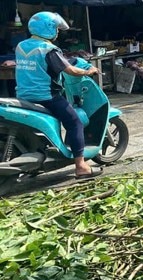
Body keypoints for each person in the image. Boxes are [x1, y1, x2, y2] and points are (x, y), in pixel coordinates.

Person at [15, 12, 102, 179]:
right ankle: (81, 166)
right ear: (48, 28)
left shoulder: (21, 46)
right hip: (46, 97)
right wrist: (88, 71)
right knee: (75, 122)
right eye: (56, 28)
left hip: (23, 96)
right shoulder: (48, 49)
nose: (58, 31)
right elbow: (70, 71)